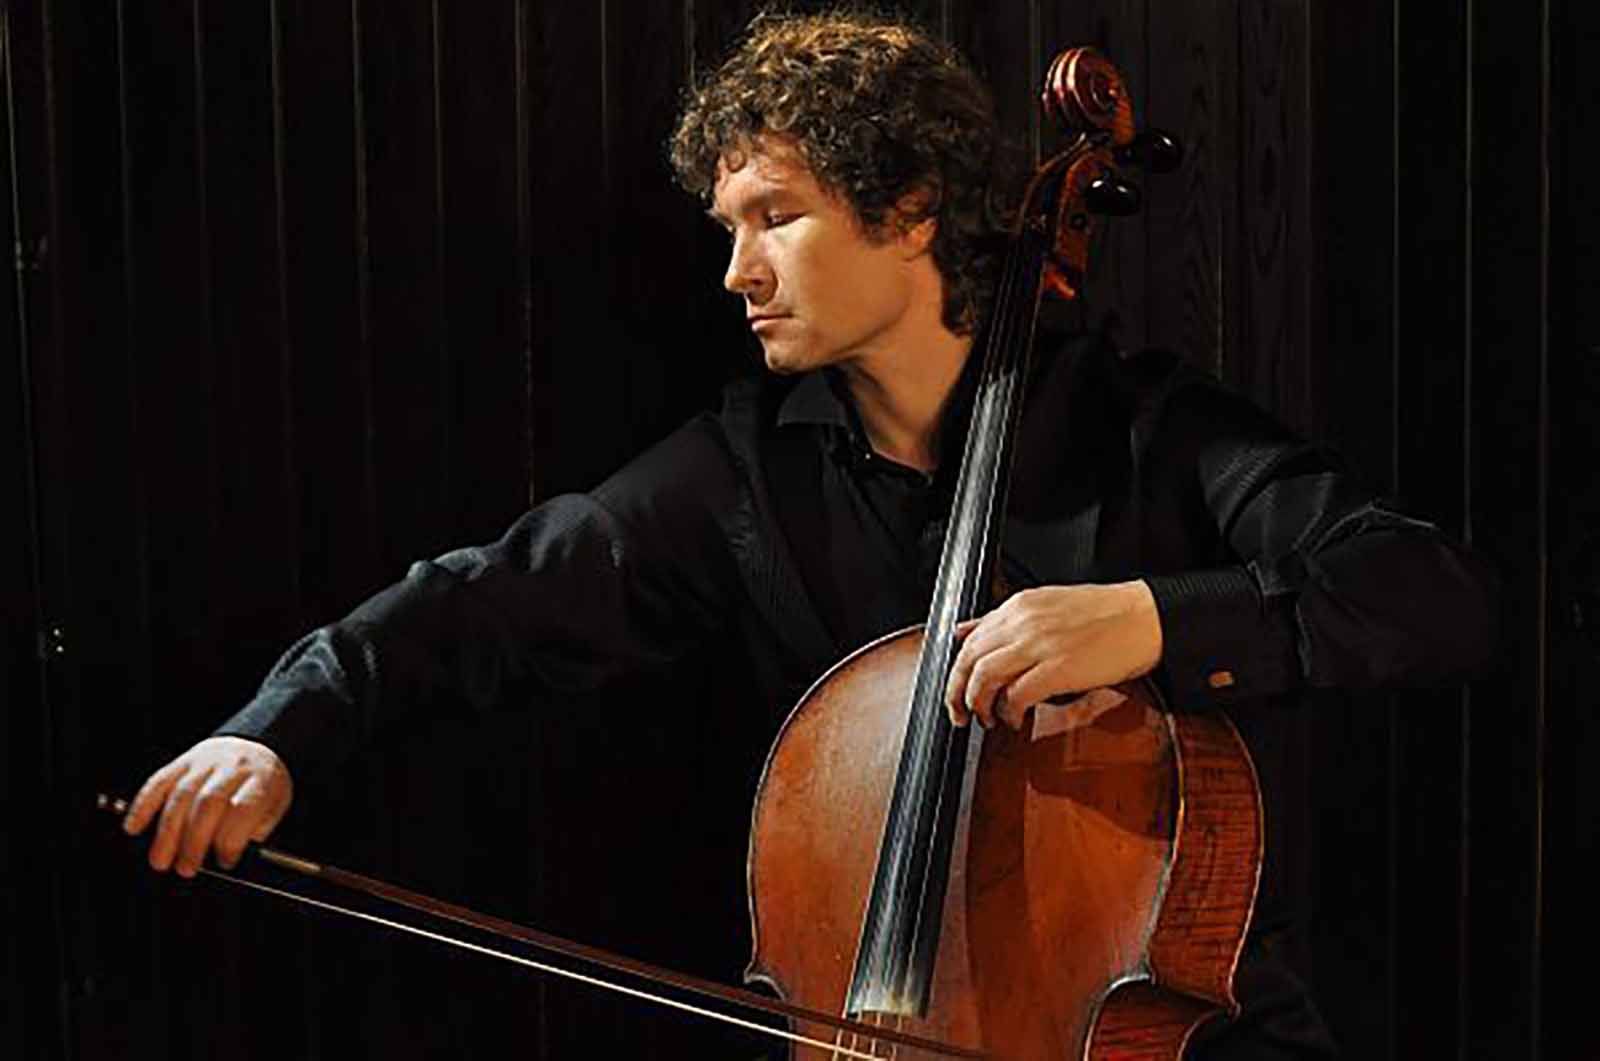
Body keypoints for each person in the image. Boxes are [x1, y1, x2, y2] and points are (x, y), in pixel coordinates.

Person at [120, 11, 1496, 1058]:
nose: (737, 271)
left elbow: (1430, 592)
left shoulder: (1149, 430)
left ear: (909, 210)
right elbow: (486, 599)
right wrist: (275, 731)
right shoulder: (743, 472)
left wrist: (1146, 618)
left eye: (776, 217)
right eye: (730, 227)